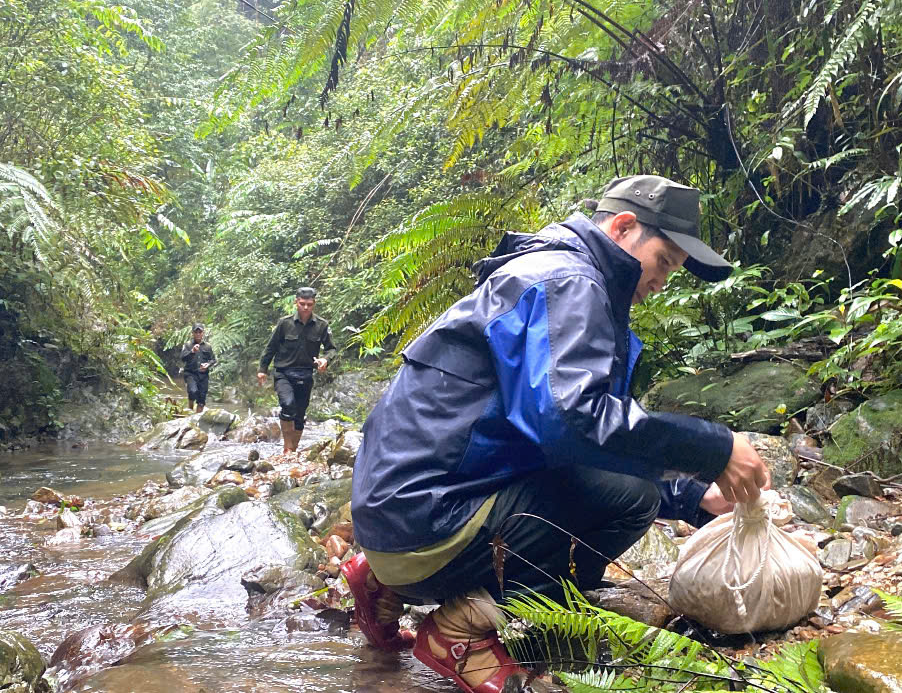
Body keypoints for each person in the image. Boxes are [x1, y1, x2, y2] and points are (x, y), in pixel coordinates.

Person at [344, 175, 772, 693]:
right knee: (630, 501)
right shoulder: (569, 283)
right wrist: (714, 447)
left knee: (618, 491)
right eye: (664, 262)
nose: (663, 281)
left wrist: (689, 495)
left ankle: (383, 581)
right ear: (624, 227)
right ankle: (467, 629)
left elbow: (564, 437)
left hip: (400, 519)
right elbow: (573, 424)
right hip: (426, 525)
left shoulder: (548, 274)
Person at [257, 287, 336, 452]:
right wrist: (262, 369)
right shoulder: (285, 323)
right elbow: (270, 347)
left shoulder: (321, 325)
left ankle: (294, 449)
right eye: (302, 304)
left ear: (314, 303)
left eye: (309, 304)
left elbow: (331, 349)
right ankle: (287, 449)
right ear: (296, 302)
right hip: (283, 373)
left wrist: (325, 360)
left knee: (300, 414)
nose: (305, 308)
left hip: (306, 373)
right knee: (287, 405)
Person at [181, 323, 217, 414]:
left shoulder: (207, 346)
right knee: (192, 392)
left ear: (203, 333)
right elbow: (183, 358)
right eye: (196, 332)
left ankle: (196, 418)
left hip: (203, 376)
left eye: (200, 332)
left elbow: (213, 359)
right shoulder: (187, 345)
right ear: (192, 333)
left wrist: (207, 365)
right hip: (190, 374)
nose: (198, 334)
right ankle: (190, 410)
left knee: (201, 400)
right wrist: (192, 351)